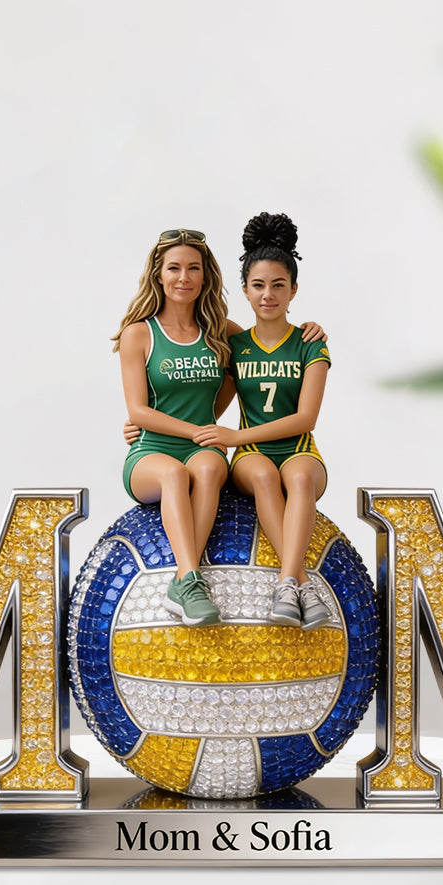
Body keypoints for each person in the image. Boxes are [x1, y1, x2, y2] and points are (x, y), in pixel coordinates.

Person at [114, 228, 327, 627]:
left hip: (202, 447)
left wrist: (310, 331)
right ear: (158, 274)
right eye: (174, 268)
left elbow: (268, 342)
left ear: (205, 275)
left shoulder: (221, 331)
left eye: (193, 268)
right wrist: (187, 429)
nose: (184, 277)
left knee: (213, 466)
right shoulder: (139, 333)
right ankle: (188, 579)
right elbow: (139, 411)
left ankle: (276, 582)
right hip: (153, 450)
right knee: (175, 475)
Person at [192, 213, 332, 630]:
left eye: (278, 285)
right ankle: (301, 584)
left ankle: (287, 582)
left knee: (300, 478)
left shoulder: (310, 344)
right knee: (266, 476)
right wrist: (145, 426)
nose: (268, 295)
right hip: (251, 456)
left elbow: (305, 418)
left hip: (299, 449)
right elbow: (206, 403)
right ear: (245, 291)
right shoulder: (235, 345)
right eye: (258, 285)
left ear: (293, 290)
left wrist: (237, 434)